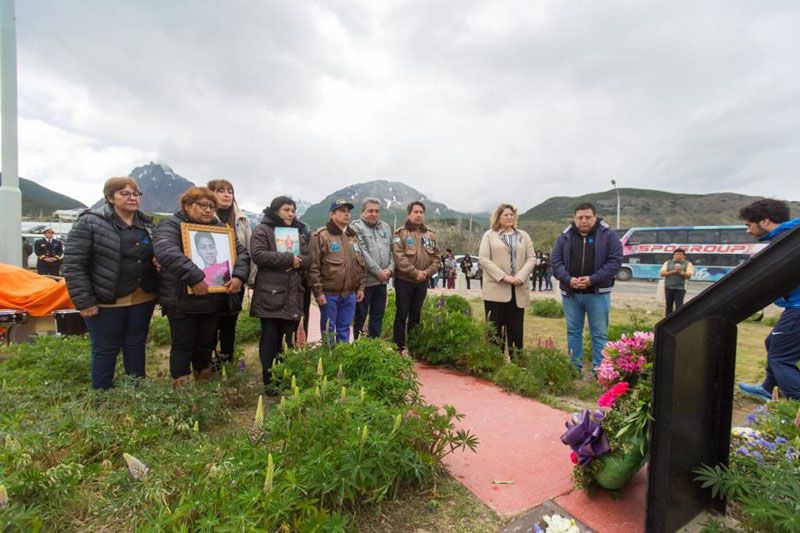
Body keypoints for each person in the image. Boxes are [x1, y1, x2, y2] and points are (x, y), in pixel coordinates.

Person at [63, 177, 158, 390]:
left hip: (143, 298)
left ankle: (136, 390)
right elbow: (73, 265)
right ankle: (102, 395)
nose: (132, 198)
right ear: (110, 197)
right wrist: (84, 301)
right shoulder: (89, 222)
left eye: (136, 194)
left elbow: (155, 254)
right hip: (106, 300)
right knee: (105, 348)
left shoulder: (147, 224)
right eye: (125, 193)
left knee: (136, 345)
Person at [154, 186, 250, 387]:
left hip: (211, 299)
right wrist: (196, 278)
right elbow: (166, 250)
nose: (208, 210)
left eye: (212, 206)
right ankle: (181, 386)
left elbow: (241, 254)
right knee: (182, 345)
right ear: (187, 206)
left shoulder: (221, 228)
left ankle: (203, 383)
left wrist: (239, 276)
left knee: (206, 343)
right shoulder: (171, 225)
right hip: (181, 300)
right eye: (203, 205)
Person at [736, 199, 800, 401]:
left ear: (764, 221)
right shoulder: (789, 237)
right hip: (794, 305)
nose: (748, 230)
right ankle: (769, 388)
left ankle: (796, 404)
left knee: (781, 357)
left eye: (748, 224)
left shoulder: (785, 241)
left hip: (798, 308)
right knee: (772, 342)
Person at [551, 202, 623, 372]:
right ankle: (574, 367)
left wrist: (592, 279)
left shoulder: (608, 235)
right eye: (580, 217)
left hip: (598, 294)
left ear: (595, 217)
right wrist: (569, 279)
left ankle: (600, 371)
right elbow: (555, 262)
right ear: (574, 218)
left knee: (599, 334)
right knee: (573, 332)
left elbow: (615, 262)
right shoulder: (564, 237)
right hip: (571, 294)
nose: (584, 220)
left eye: (588, 217)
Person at [250, 196, 309, 392]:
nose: (291, 214)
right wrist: (289, 259)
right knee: (270, 337)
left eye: (293, 210)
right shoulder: (263, 230)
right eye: (286, 210)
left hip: (293, 293)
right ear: (275, 211)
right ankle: (269, 382)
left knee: (288, 338)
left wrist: (298, 261)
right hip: (270, 293)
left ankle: (286, 378)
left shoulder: (298, 232)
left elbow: (308, 258)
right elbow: (258, 254)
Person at [478, 204, 536, 356]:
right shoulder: (489, 235)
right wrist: (504, 277)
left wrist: (520, 277)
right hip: (496, 289)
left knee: (516, 329)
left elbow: (531, 258)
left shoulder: (523, 236)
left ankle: (517, 363)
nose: (510, 217)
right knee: (495, 329)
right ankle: (494, 362)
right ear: (498, 217)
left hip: (517, 289)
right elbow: (484, 259)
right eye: (506, 214)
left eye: (512, 214)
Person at [307, 199, 366, 344]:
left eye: (348, 212)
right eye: (341, 211)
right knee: (329, 330)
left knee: (345, 329)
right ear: (332, 214)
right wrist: (318, 292)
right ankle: (328, 362)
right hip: (329, 294)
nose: (346, 214)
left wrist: (361, 287)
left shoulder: (352, 236)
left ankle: (342, 362)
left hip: (349, 294)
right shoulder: (321, 235)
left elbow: (361, 264)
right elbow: (312, 266)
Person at [208, 178, 253, 366]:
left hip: (237, 277)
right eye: (220, 191)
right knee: (210, 323)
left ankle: (227, 361)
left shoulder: (241, 219)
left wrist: (248, 278)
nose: (226, 194)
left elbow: (249, 248)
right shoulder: (204, 218)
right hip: (211, 278)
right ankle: (206, 363)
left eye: (230, 191)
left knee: (230, 322)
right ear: (210, 194)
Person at [392, 201, 441, 354]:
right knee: (401, 314)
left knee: (416, 315)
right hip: (404, 281)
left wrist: (427, 272)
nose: (419, 214)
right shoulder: (399, 233)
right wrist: (415, 273)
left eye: (421, 212)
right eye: (416, 212)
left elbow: (437, 258)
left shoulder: (430, 235)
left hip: (422, 282)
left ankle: (414, 347)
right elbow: (399, 258)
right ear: (409, 214)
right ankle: (398, 348)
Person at [351, 197, 394, 339]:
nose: (374, 214)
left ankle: (374, 345)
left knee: (378, 316)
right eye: (370, 211)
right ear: (363, 211)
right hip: (365, 282)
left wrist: (390, 269)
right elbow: (362, 252)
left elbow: (392, 251)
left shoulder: (386, 227)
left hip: (382, 282)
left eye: (377, 211)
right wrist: (378, 272)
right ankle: (359, 346)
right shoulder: (355, 227)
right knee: (360, 317)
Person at [660, 248, 694, 315]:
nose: (678, 256)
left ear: (684, 256)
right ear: (673, 255)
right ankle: (667, 321)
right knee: (668, 306)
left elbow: (688, 276)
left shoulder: (688, 264)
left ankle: (678, 321)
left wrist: (680, 272)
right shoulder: (668, 263)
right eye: (676, 254)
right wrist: (674, 272)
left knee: (679, 307)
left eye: (680, 254)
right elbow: (662, 273)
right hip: (668, 288)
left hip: (680, 289)